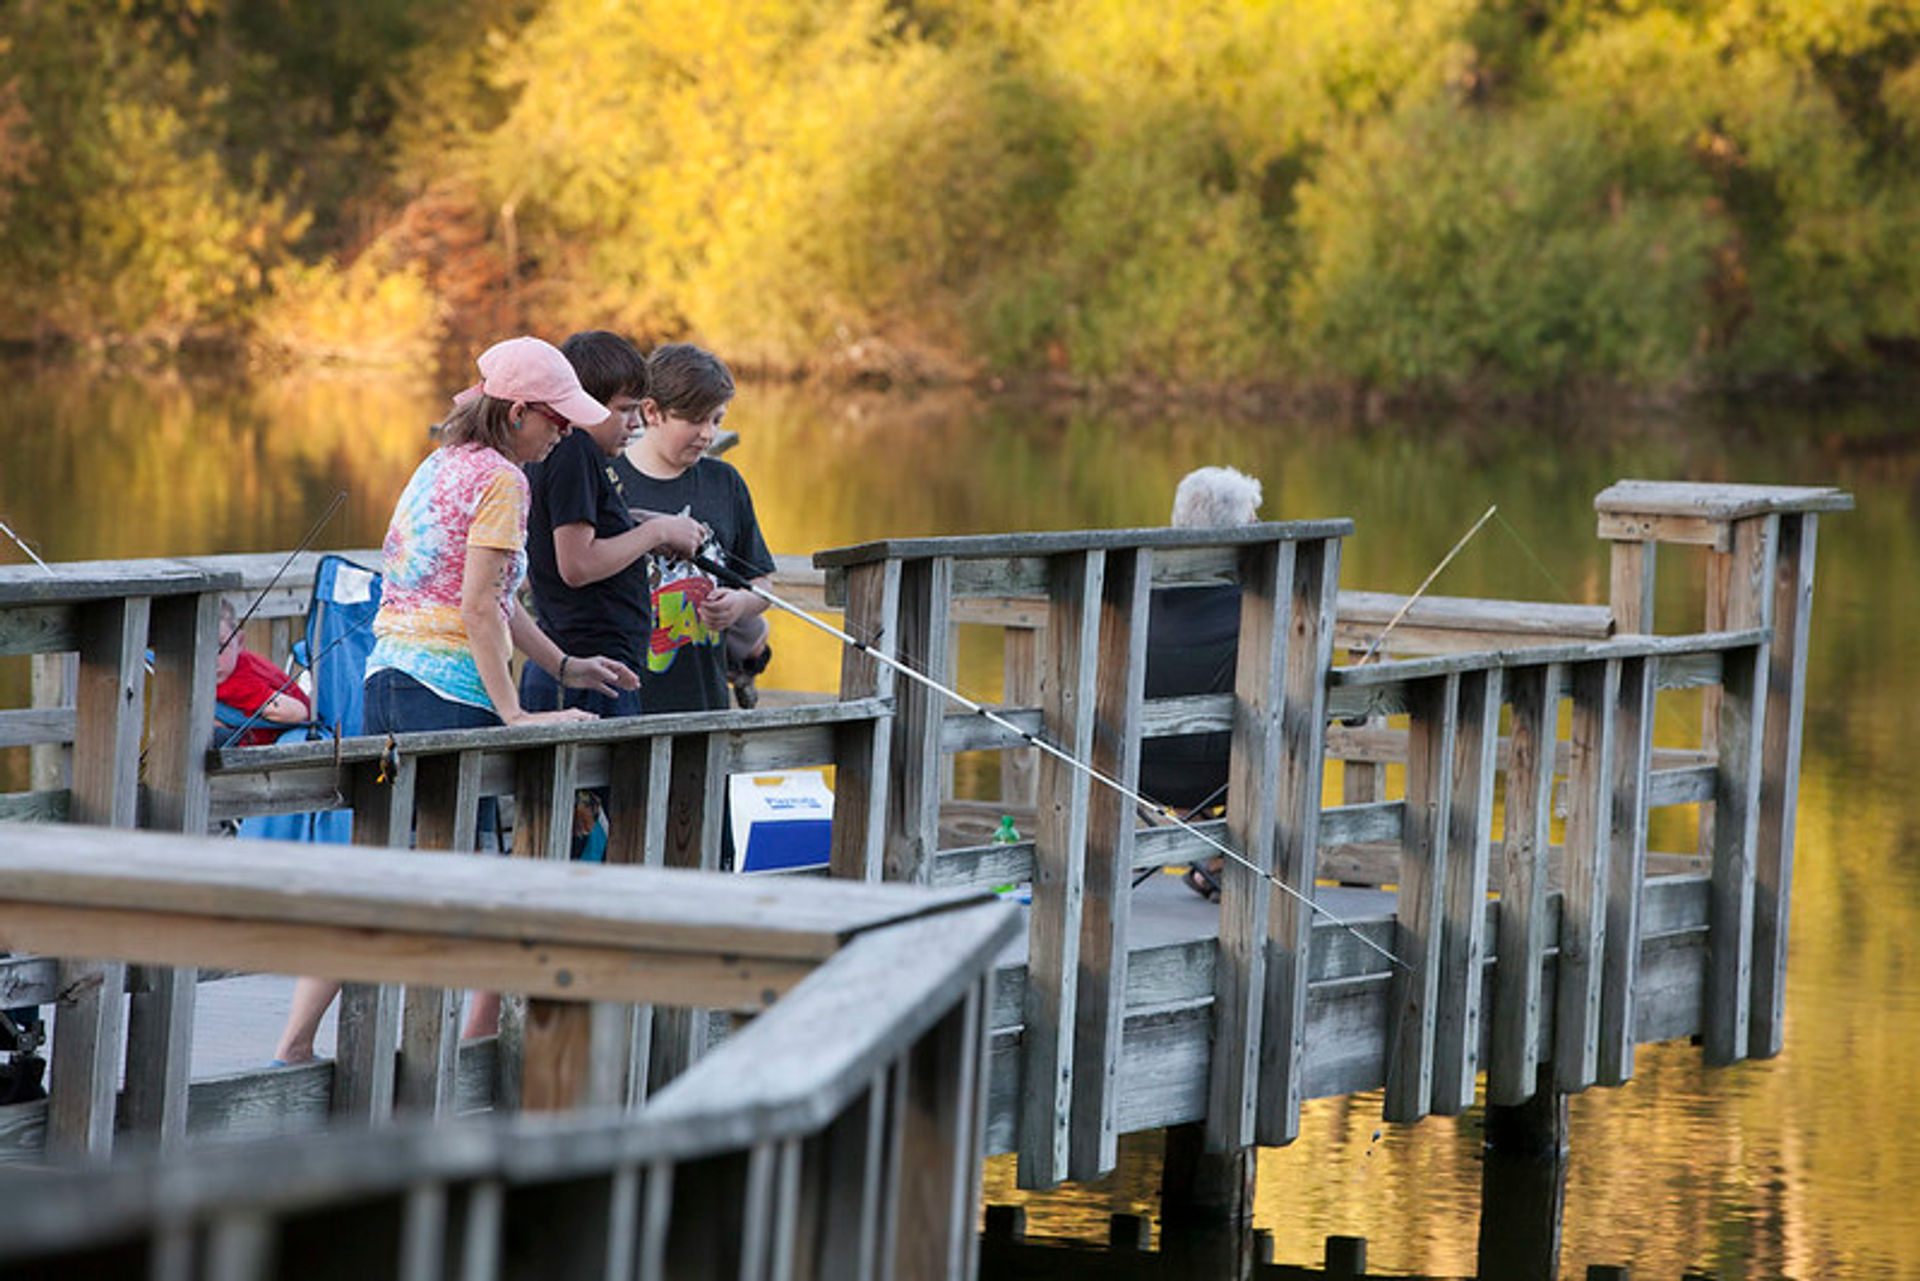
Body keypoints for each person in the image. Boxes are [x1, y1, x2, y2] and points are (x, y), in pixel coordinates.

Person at [272, 334, 636, 1066]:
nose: (565, 431)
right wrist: (516, 714)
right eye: (556, 418)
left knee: (387, 873)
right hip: (450, 693)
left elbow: (497, 599)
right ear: (519, 412)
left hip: (389, 684)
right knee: (445, 881)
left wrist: (564, 663)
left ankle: (302, 1042)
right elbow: (477, 609)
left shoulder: (439, 465)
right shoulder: (505, 481)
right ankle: (432, 1058)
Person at [518, 329, 705, 719]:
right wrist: (659, 532)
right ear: (582, 404)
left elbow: (572, 528)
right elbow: (577, 565)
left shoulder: (566, 451)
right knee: (615, 782)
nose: (636, 423)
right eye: (624, 409)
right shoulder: (576, 450)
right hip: (590, 672)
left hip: (586, 667)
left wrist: (635, 522)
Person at [609, 343, 774, 714]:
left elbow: (763, 585)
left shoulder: (725, 482)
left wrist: (739, 605)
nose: (707, 434)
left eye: (715, 420)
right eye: (694, 420)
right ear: (651, 411)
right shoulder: (608, 479)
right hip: (625, 701)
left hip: (703, 702)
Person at [1137, 466, 1263, 902]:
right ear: (1240, 531)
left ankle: (1206, 857)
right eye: (1253, 520)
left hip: (1136, 767)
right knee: (1287, 735)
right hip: (1226, 772)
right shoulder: (1254, 608)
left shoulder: (1133, 596)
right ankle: (1219, 862)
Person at [214, 598, 311, 746]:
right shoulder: (231, 667)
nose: (212, 659)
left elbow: (298, 712)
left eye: (221, 646)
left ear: (240, 642)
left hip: (293, 737)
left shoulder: (241, 681)